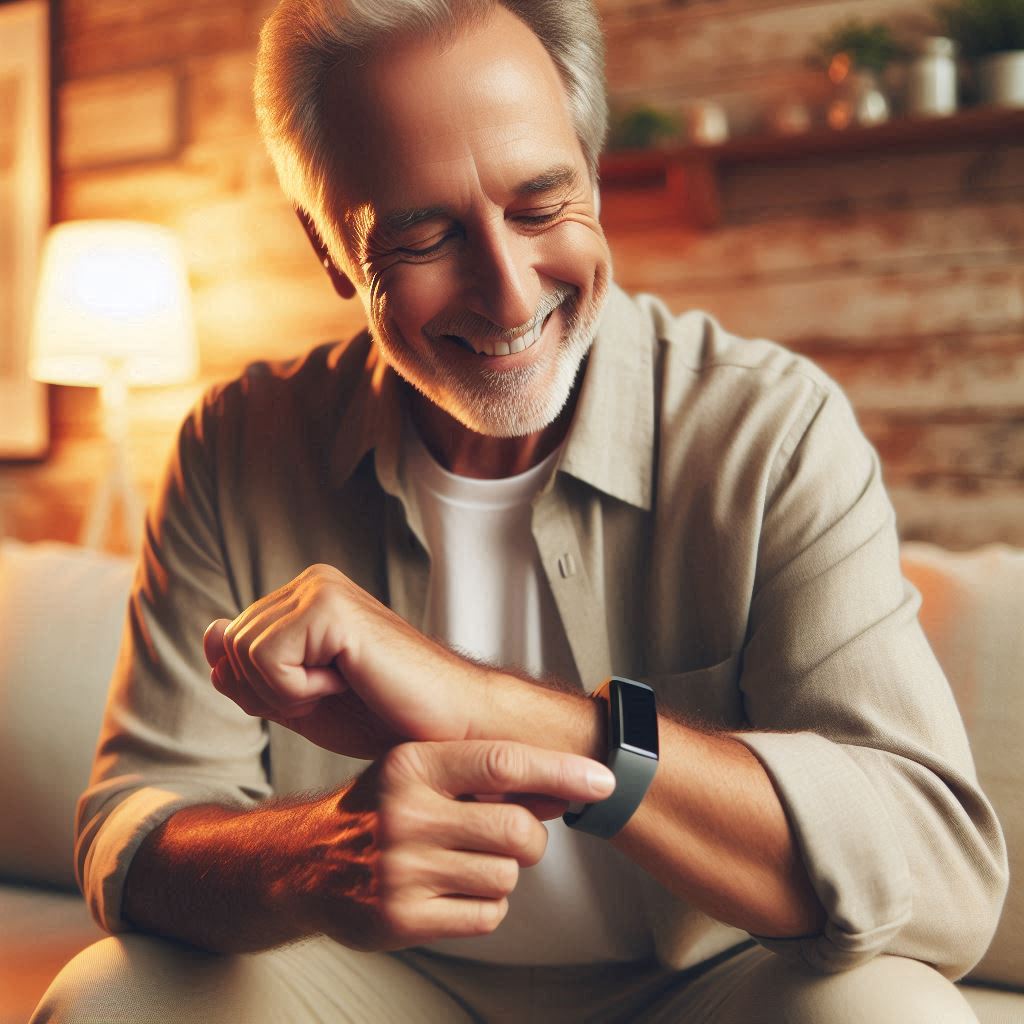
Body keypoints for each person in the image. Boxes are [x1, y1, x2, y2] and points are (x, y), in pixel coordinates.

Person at [35, 1, 1006, 1021]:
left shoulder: (770, 429)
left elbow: (943, 879)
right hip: (376, 986)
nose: (507, 295)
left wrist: (493, 708)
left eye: (543, 208)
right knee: (110, 1000)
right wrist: (310, 857)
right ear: (329, 252)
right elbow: (131, 834)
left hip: (711, 987)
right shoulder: (234, 445)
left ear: (593, 177)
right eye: (422, 235)